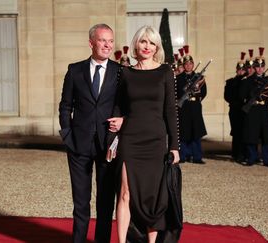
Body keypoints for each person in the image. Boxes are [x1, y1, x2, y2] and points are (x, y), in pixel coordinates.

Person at [108, 25, 180, 243]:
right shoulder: (126, 72)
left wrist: (175, 146)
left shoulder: (166, 71)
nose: (147, 46)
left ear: (156, 46)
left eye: (151, 43)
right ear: (135, 45)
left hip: (156, 141)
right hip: (130, 140)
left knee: (153, 196)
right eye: (143, 42)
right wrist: (113, 139)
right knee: (125, 193)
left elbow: (170, 110)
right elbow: (118, 107)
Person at [58, 23, 119, 243]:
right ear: (91, 42)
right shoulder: (75, 70)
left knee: (105, 203)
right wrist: (67, 135)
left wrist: (122, 122)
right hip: (78, 145)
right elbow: (65, 105)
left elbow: (127, 105)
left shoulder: (119, 71)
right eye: (103, 40)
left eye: (111, 41)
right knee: (81, 203)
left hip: (108, 146)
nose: (108, 45)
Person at [239, 47, 268, 167]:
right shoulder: (248, 80)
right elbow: (242, 95)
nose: (260, 69)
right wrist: (252, 97)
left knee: (266, 136)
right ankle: (251, 158)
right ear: (254, 67)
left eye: (262, 66)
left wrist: (264, 98)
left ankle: (267, 159)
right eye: (257, 66)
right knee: (251, 135)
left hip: (264, 109)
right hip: (253, 110)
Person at [176, 45, 207, 164]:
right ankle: (183, 156)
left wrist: (194, 95)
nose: (188, 66)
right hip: (183, 107)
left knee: (196, 132)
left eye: (190, 63)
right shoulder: (178, 78)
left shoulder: (199, 77)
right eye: (186, 64)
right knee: (183, 132)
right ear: (183, 65)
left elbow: (204, 92)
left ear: (193, 64)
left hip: (195, 107)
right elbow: (176, 93)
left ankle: (197, 156)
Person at [224, 52, 246, 162]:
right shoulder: (231, 82)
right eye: (239, 69)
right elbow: (227, 96)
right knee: (236, 132)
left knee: (244, 131)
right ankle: (236, 153)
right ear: (236, 70)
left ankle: (243, 153)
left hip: (245, 110)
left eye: (243, 70)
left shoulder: (246, 81)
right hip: (234, 109)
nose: (241, 71)